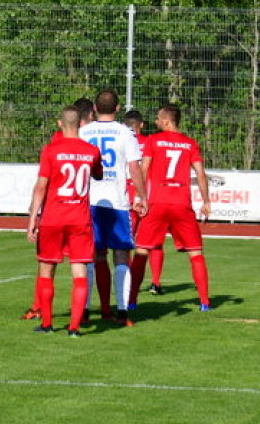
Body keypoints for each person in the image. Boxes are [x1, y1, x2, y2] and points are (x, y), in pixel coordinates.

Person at [26, 105, 103, 337]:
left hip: (53, 218)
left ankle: (47, 324)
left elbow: (41, 187)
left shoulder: (50, 150)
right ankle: (74, 328)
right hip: (79, 219)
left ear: (60, 124)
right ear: (81, 124)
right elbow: (98, 174)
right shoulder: (91, 151)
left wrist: (32, 219)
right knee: (79, 272)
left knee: (46, 269)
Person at [128, 104, 213, 311]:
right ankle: (204, 302)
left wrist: (140, 197)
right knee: (195, 253)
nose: (156, 122)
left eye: (158, 118)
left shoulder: (153, 141)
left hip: (156, 203)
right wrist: (206, 201)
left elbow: (144, 169)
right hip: (181, 204)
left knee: (141, 251)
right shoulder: (190, 144)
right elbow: (201, 174)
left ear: (167, 121)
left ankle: (131, 302)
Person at [80, 89, 147, 327]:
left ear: (95, 109)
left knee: (91, 257)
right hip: (117, 202)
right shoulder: (125, 132)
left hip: (90, 202)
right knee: (120, 256)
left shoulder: (84, 131)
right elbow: (134, 167)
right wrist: (142, 195)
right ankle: (121, 312)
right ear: (117, 108)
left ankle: (85, 311)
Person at [124, 109, 165, 294]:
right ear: (141, 125)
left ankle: (129, 281)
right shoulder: (150, 141)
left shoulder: (122, 141)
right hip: (148, 195)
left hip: (126, 195)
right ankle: (156, 282)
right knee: (154, 242)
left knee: (127, 242)